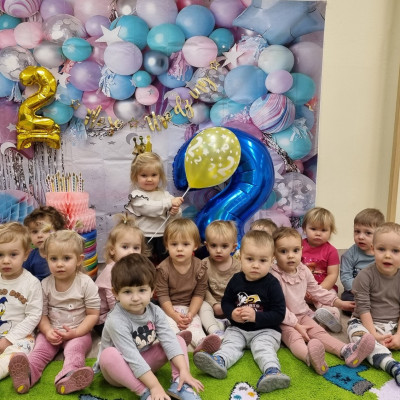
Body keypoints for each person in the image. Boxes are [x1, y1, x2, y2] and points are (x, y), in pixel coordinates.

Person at [94, 253, 204, 400]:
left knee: (177, 340)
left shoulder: (155, 311)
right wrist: (154, 387)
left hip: (146, 362)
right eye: (127, 291)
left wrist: (184, 369)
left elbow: (169, 340)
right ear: (116, 293)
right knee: (108, 355)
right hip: (119, 371)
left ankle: (180, 382)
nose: (135, 298)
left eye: (142, 290)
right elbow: (132, 357)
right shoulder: (116, 320)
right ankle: (145, 392)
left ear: (152, 291)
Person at [194, 230, 291, 394]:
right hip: (238, 329)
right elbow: (226, 302)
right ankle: (219, 361)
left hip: (265, 331)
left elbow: (279, 313)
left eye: (262, 260)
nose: (255, 265)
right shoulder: (236, 279)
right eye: (250, 259)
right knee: (230, 344)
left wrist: (256, 316)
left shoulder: (272, 284)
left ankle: (272, 371)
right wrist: (232, 313)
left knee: (263, 349)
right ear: (240, 257)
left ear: (272, 260)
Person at [271, 227, 375, 376]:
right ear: (274, 253)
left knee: (320, 333)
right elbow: (277, 307)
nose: (290, 256)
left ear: (301, 250)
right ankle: (310, 358)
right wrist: (296, 325)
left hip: (302, 314)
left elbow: (317, 291)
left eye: (295, 250)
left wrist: (339, 303)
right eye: (283, 251)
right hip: (282, 319)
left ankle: (347, 351)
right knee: (295, 339)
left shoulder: (303, 270)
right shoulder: (273, 275)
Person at [9, 230, 100, 395]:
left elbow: (93, 313)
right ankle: (27, 375)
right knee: (39, 352)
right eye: (54, 259)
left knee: (75, 351)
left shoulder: (86, 283)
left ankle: (69, 375)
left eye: (66, 258)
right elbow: (41, 314)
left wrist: (77, 332)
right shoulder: (45, 284)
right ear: (47, 259)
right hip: (52, 331)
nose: (59, 264)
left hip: (78, 332)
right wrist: (47, 331)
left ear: (79, 260)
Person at [155, 218, 219, 354]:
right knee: (169, 325)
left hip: (191, 307)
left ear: (195, 246)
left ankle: (203, 343)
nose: (179, 248)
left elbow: (199, 293)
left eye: (185, 244)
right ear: (167, 246)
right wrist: (173, 315)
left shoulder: (200, 267)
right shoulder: (163, 269)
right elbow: (162, 295)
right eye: (174, 244)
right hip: (169, 308)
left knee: (195, 326)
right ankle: (176, 341)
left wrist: (191, 314)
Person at [347, 222, 400, 385]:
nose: (388, 255)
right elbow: (363, 309)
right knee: (359, 336)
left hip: (394, 325)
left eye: (395, 251)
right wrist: (374, 335)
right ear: (372, 249)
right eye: (381, 249)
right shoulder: (364, 276)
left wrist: (398, 336)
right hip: (365, 322)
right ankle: (391, 365)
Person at [94, 213, 149, 335]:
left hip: (124, 307)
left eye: (136, 248)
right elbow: (112, 301)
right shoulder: (111, 271)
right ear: (112, 250)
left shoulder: (132, 267)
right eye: (125, 247)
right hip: (104, 318)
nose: (131, 252)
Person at [0, 222, 42, 380]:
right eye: (0, 255)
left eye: (13, 255)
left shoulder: (31, 283)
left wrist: (8, 339)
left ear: (25, 254)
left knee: (16, 354)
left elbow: (33, 316)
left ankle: (8, 366)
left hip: (21, 337)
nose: (6, 261)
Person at [125, 152, 184, 265]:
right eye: (144, 175)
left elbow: (176, 217)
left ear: (160, 176)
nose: (149, 179)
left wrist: (174, 211)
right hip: (143, 236)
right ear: (135, 176)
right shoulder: (136, 195)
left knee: (165, 263)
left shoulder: (165, 195)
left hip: (163, 236)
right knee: (144, 264)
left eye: (153, 175)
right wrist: (169, 203)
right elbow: (148, 208)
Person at [301, 207, 342, 333]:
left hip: (324, 287)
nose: (318, 233)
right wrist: (304, 290)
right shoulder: (299, 246)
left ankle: (331, 318)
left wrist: (318, 291)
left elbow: (332, 275)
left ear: (331, 231)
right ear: (304, 229)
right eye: (313, 229)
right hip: (302, 288)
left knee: (329, 300)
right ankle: (309, 319)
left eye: (323, 230)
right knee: (291, 300)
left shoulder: (331, 251)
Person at [199, 220, 241, 338]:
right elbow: (203, 288)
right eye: (213, 246)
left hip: (232, 306)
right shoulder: (204, 264)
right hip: (212, 305)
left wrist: (229, 306)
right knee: (202, 305)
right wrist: (214, 305)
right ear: (207, 246)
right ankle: (215, 331)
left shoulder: (239, 266)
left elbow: (242, 289)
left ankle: (229, 326)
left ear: (233, 247)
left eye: (224, 246)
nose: (218, 250)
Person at [340, 208, 385, 302]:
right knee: (347, 300)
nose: (360, 237)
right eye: (357, 231)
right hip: (354, 291)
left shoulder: (383, 254)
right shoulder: (349, 255)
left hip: (376, 291)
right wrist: (359, 292)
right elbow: (346, 277)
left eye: (368, 233)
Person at [23, 205, 67, 281]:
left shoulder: (65, 253)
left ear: (58, 231)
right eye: (35, 232)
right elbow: (24, 277)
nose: (39, 235)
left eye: (45, 230)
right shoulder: (30, 257)